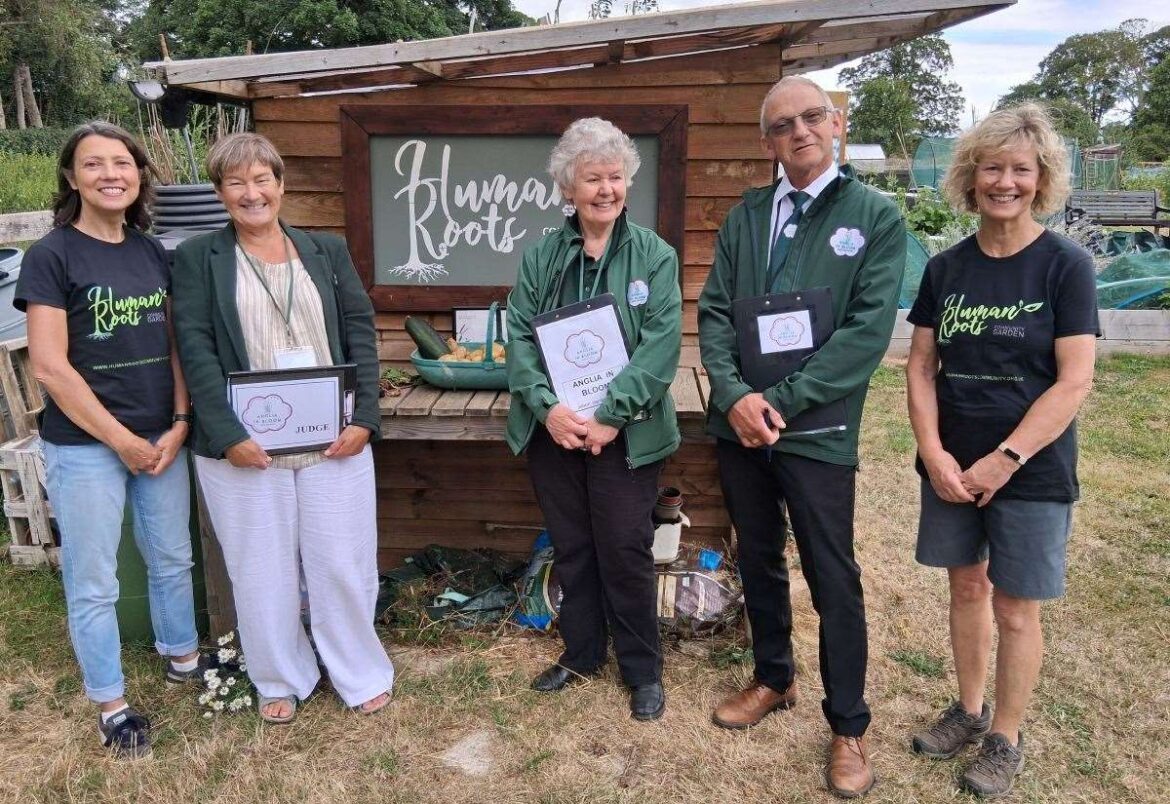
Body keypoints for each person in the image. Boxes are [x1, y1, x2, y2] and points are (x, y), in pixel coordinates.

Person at [698, 76, 906, 797]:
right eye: (783, 125)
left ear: (837, 123)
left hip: (817, 431)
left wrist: (777, 402)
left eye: (812, 117)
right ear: (768, 142)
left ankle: (848, 724)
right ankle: (773, 677)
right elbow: (716, 316)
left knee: (831, 574)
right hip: (743, 430)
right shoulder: (746, 217)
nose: (800, 132)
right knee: (758, 557)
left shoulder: (875, 217)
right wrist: (733, 397)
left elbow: (863, 336)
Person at [905, 104, 1097, 798]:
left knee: (1016, 606)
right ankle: (968, 706)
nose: (1005, 181)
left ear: (1040, 178)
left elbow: (1075, 379)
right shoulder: (946, 267)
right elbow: (921, 366)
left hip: (1031, 469)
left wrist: (1005, 459)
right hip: (952, 465)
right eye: (993, 167)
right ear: (971, 175)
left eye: (1020, 168)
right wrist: (932, 451)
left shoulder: (1064, 266)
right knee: (966, 585)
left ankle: (1005, 737)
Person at [171, 133, 394, 724]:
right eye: (236, 182)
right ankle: (279, 675)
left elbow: (360, 333)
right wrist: (225, 434)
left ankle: (357, 668)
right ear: (220, 192)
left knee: (341, 561)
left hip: (333, 440)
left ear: (281, 184)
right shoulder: (197, 258)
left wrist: (365, 418)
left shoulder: (325, 251)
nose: (252, 193)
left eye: (262, 179)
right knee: (259, 565)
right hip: (245, 445)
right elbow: (193, 348)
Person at [16, 122, 205, 758]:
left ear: (139, 175)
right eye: (93, 165)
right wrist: (122, 439)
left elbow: (173, 343)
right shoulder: (53, 255)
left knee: (172, 559)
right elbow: (49, 366)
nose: (110, 175)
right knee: (94, 581)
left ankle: (182, 658)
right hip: (86, 447)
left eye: (122, 163)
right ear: (72, 178)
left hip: (161, 439)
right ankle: (112, 704)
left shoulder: (153, 253)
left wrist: (179, 421)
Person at [506, 117, 682, 721]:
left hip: (625, 435)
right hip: (556, 432)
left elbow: (661, 347)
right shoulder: (542, 258)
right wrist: (548, 409)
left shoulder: (654, 256)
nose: (605, 189)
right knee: (575, 546)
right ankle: (581, 652)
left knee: (625, 548)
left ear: (627, 183)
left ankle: (641, 671)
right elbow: (521, 337)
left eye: (615, 177)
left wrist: (610, 416)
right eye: (591, 178)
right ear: (568, 189)